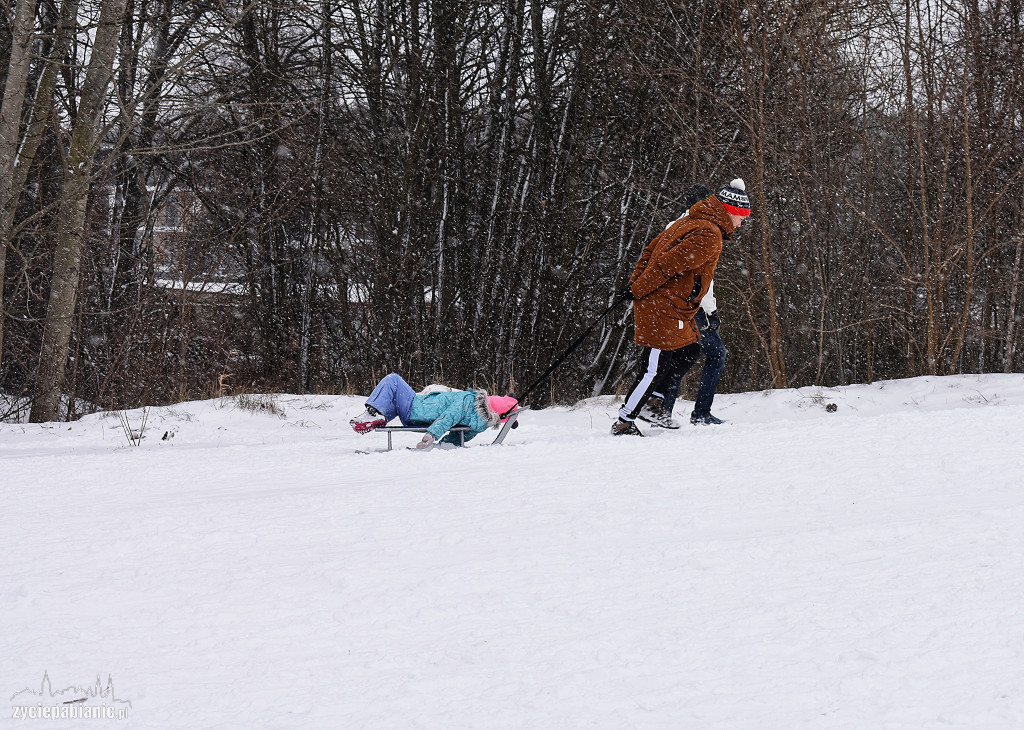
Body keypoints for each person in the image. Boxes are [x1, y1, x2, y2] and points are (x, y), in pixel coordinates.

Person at [612, 178, 750, 436]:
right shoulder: (709, 233)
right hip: (661, 305)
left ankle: (653, 402)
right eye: (741, 218)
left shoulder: (691, 221)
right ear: (730, 211)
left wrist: (635, 284)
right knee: (654, 368)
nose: (741, 224)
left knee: (690, 349)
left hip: (673, 305)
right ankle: (624, 421)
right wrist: (637, 289)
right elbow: (666, 264)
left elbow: (650, 250)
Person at [638, 184, 728, 428]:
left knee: (678, 353)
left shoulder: (677, 225)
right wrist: (710, 310)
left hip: (674, 302)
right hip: (689, 304)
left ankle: (661, 409)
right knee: (713, 354)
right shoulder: (703, 229)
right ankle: (699, 413)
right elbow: (701, 278)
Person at [350, 373, 519, 449]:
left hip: (415, 407)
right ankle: (377, 418)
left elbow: (448, 417)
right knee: (393, 398)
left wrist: (431, 435)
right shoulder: (480, 424)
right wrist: (444, 446)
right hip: (417, 414)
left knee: (393, 380)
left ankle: (373, 414)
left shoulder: (468, 401)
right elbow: (460, 436)